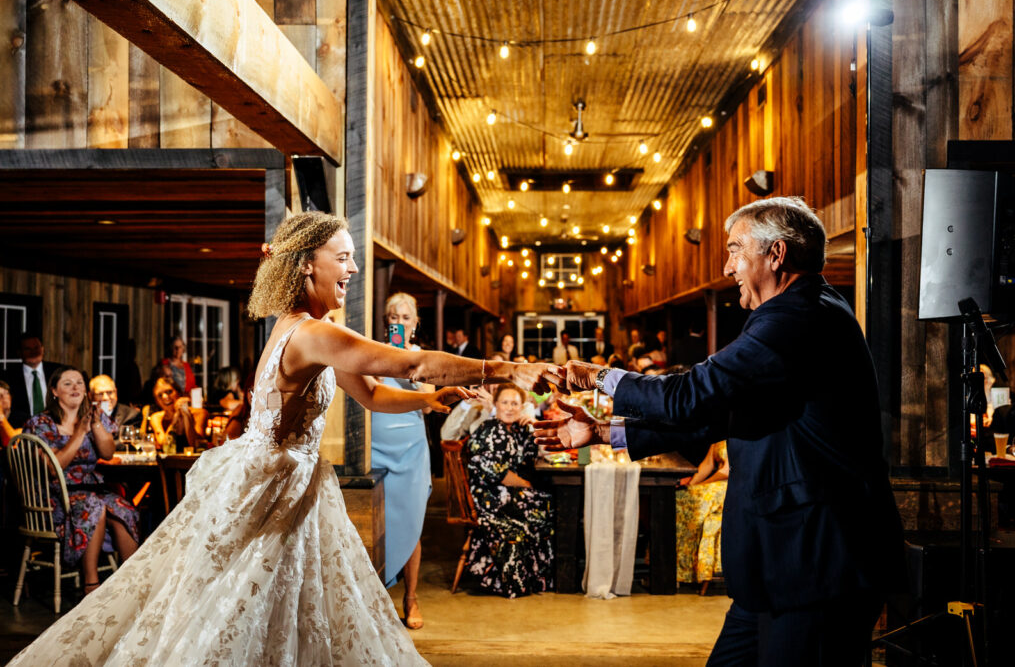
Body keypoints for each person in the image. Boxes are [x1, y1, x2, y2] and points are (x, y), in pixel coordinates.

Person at [8, 212, 562, 666]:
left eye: (351, 257)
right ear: (306, 265)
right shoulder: (315, 332)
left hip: (280, 475)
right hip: (275, 482)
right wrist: (503, 368)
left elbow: (369, 394)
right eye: (342, 258)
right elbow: (414, 360)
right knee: (245, 602)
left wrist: (426, 401)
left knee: (270, 601)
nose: (352, 268)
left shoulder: (301, 327)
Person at [535, 197, 906, 666]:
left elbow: (687, 394)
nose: (727, 266)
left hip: (816, 565)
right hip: (778, 568)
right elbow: (718, 413)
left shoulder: (798, 317)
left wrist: (600, 376)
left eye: (735, 250)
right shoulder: (798, 309)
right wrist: (606, 432)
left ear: (775, 255)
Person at [22, 367, 140, 595]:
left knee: (124, 507)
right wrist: (78, 434)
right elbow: (53, 470)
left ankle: (132, 582)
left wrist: (94, 425)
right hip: (54, 495)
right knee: (93, 506)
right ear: (54, 391)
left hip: (91, 488)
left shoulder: (94, 415)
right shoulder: (40, 423)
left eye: (79, 382)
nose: (75, 387)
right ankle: (91, 583)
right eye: (68, 383)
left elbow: (107, 453)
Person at [370, 292, 433, 629]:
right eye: (393, 316)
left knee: (411, 521)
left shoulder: (421, 357)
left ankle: (411, 598)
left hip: (410, 447)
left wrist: (411, 374)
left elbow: (427, 405)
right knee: (375, 523)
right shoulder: (375, 351)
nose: (398, 322)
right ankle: (374, 598)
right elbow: (366, 396)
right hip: (377, 443)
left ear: (415, 323)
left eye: (405, 317)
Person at [464, 383, 553, 598]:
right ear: (495, 405)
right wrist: (526, 485)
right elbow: (499, 474)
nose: (510, 408)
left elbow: (535, 454)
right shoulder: (489, 431)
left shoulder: (516, 429)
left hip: (506, 492)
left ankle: (534, 578)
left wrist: (532, 425)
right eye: (505, 403)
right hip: (489, 495)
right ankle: (516, 580)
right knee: (539, 503)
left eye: (515, 404)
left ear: (522, 406)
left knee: (543, 502)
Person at [676, 441, 729, 585]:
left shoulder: (740, 434)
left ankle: (685, 568)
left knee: (691, 501)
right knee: (681, 496)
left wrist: (703, 484)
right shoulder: (719, 436)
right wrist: (692, 484)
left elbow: (726, 471)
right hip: (714, 485)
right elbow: (707, 465)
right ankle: (680, 568)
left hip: (730, 487)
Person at [1, 332, 62, 428]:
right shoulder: (7, 377)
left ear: (42, 349)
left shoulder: (57, 371)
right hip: (21, 430)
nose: (33, 352)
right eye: (28, 349)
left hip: (57, 427)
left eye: (36, 348)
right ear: (19, 352)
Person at [148, 376, 208, 452]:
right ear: (156, 401)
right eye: (160, 395)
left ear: (178, 393)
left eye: (169, 392)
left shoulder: (199, 413)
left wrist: (186, 415)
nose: (165, 397)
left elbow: (196, 444)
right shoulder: (156, 418)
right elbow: (165, 446)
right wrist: (174, 420)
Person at [0, 380, 17, 447]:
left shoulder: (23, 418)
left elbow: (14, 441)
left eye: (6, 393)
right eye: (0, 395)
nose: (4, 398)